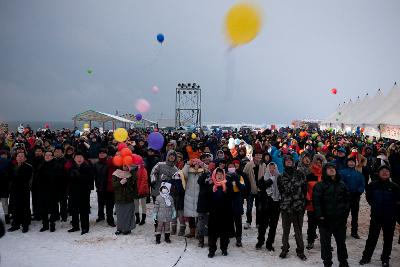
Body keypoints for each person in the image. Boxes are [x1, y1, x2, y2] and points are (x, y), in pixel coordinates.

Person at [359, 165, 400, 267]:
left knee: (388, 239)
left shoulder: (395, 186)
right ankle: (366, 257)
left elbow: (398, 202)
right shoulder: (373, 185)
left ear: (389, 174)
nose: (385, 172)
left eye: (387, 171)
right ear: (379, 173)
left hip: (390, 218)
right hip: (376, 216)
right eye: (383, 171)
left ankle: (385, 259)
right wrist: (375, 205)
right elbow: (369, 198)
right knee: (372, 238)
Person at [313, 162, 350, 267]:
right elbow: (316, 202)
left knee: (341, 243)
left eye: (333, 168)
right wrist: (320, 216)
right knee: (325, 244)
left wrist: (344, 215)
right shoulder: (320, 185)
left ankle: (343, 262)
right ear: (325, 171)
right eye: (328, 168)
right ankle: (327, 262)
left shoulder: (342, 184)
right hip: (325, 220)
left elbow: (347, 200)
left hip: (339, 220)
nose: (331, 169)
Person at [277, 154, 307, 261]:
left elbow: (304, 189)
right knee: (286, 230)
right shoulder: (281, 176)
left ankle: (300, 251)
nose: (289, 161)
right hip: (286, 207)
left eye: (290, 160)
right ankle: (284, 249)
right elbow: (280, 190)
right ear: (284, 162)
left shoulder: (300, 174)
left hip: (298, 207)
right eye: (287, 160)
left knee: (298, 230)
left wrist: (302, 204)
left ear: (293, 162)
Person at [207, 168, 234, 258]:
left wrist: (225, 190)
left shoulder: (228, 184)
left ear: (224, 175)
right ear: (214, 175)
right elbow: (207, 198)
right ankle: (212, 250)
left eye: (221, 174)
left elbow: (231, 197)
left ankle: (224, 249)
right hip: (214, 213)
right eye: (217, 174)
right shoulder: (211, 185)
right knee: (212, 233)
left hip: (225, 213)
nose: (219, 175)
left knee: (224, 233)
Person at [256, 162, 281, 251]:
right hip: (265, 205)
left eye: (273, 168)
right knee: (263, 225)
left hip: (276, 205)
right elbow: (260, 186)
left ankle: (269, 243)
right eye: (270, 168)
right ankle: (260, 241)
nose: (272, 169)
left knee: (273, 226)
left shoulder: (279, 178)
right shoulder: (263, 178)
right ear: (267, 169)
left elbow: (282, 189)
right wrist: (270, 180)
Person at [67, 151, 93, 235]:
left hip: (84, 192)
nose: (79, 159)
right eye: (77, 157)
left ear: (83, 158)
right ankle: (75, 226)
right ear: (74, 159)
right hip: (73, 192)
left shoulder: (88, 167)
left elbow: (90, 179)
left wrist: (79, 176)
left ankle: (85, 227)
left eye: (80, 157)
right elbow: (68, 180)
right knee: (74, 209)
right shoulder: (71, 167)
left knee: (84, 210)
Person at [339, 157, 365, 239]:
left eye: (353, 162)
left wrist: (359, 191)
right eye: (349, 162)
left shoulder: (359, 174)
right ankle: (342, 231)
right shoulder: (342, 172)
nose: (351, 163)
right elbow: (341, 183)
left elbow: (362, 184)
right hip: (346, 197)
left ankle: (354, 232)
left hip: (355, 197)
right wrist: (346, 191)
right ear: (347, 163)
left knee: (355, 215)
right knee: (344, 215)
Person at [7, 151, 33, 233]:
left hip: (24, 190)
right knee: (15, 207)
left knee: (25, 207)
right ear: (16, 158)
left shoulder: (29, 167)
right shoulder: (13, 166)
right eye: (18, 156)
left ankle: (25, 225)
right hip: (14, 190)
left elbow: (27, 179)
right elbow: (9, 177)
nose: (20, 157)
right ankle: (15, 224)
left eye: (22, 156)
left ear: (25, 158)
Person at [305, 154, 325, 250]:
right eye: (317, 162)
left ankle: (325, 242)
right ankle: (310, 240)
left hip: (323, 205)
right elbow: (306, 189)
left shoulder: (326, 176)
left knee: (324, 225)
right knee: (311, 224)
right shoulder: (309, 176)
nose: (318, 164)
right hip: (311, 203)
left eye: (320, 162)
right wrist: (308, 198)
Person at [243, 150, 267, 229]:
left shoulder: (263, 165)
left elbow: (266, 176)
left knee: (259, 208)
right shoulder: (248, 164)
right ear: (253, 156)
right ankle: (248, 221)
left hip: (260, 190)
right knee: (249, 207)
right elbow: (244, 175)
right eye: (257, 155)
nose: (258, 157)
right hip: (250, 190)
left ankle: (258, 223)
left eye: (260, 155)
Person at [36, 151, 59, 232]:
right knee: (43, 208)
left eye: (49, 155)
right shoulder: (41, 165)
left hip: (53, 190)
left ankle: (52, 224)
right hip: (42, 190)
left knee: (52, 208)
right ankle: (45, 225)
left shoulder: (56, 165)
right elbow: (37, 177)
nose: (47, 156)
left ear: (52, 157)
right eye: (46, 155)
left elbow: (57, 178)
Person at [112, 164, 138, 235]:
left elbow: (135, 182)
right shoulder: (116, 173)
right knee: (120, 214)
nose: (126, 167)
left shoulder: (131, 174)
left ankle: (127, 229)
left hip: (128, 197)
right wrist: (120, 183)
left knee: (128, 214)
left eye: (127, 165)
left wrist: (132, 171)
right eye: (124, 165)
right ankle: (119, 228)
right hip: (119, 197)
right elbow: (113, 185)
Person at [183, 158, 205, 238]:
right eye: (194, 164)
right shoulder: (189, 172)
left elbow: (207, 172)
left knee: (199, 216)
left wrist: (203, 164)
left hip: (199, 195)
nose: (196, 166)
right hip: (189, 195)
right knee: (191, 216)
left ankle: (199, 232)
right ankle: (192, 231)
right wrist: (187, 164)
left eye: (197, 164)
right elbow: (184, 173)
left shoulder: (202, 172)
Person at [226, 161, 246, 247]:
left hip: (237, 200)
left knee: (238, 221)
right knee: (228, 220)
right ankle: (229, 235)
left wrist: (236, 179)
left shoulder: (239, 176)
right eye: (229, 166)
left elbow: (242, 187)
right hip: (228, 200)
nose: (231, 168)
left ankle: (238, 238)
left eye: (232, 166)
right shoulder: (225, 177)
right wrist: (229, 181)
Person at [94, 149, 116, 227]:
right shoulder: (96, 164)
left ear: (106, 154)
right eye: (100, 153)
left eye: (103, 153)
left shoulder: (109, 163)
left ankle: (110, 219)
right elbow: (95, 175)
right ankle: (101, 216)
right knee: (100, 203)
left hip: (109, 187)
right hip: (100, 187)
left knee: (109, 205)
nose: (101, 154)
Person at [134, 155, 149, 226]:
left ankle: (143, 219)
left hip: (142, 190)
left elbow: (144, 181)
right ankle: (137, 218)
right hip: (135, 189)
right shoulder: (133, 169)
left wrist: (140, 190)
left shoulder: (143, 170)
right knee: (136, 204)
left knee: (143, 205)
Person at [0, 150, 11, 224]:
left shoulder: (8, 162)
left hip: (4, 185)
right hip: (5, 185)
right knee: (4, 202)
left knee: (4, 202)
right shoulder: (8, 162)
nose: (4, 156)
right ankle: (7, 218)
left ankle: (7, 217)